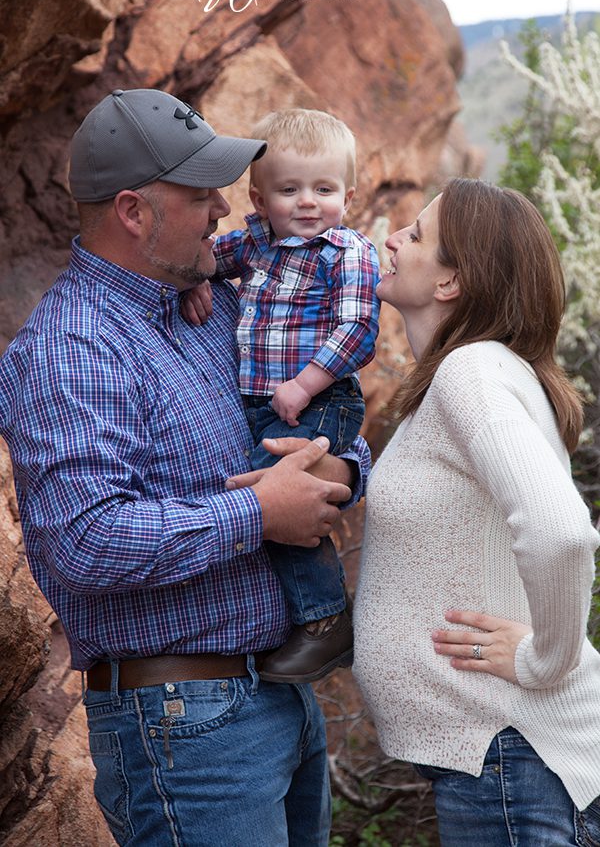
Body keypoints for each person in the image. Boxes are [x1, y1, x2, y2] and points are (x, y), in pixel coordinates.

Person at [0, 88, 371, 847]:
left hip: (279, 697)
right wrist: (260, 513)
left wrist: (339, 471)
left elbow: (323, 417)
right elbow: (85, 541)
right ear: (135, 213)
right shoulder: (72, 348)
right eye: (202, 194)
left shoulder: (218, 305)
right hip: (183, 727)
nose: (225, 211)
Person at [353, 177, 600, 845]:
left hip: (511, 755)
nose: (394, 239)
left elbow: (563, 533)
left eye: (417, 233)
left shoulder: (473, 373)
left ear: (450, 282)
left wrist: (544, 660)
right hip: (497, 758)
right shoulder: (467, 379)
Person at [183, 108, 380, 684]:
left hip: (321, 396)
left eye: (324, 189)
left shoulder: (346, 252)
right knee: (255, 488)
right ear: (259, 195)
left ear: (349, 194)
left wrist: (305, 383)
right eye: (289, 190)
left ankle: (324, 619)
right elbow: (212, 258)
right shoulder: (259, 242)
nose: (307, 203)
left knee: (277, 488)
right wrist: (196, 278)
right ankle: (289, 614)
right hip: (264, 399)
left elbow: (357, 329)